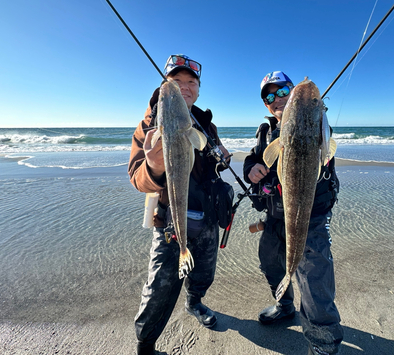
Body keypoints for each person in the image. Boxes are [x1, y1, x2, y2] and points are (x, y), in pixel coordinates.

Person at [128, 54, 230, 355]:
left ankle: (194, 302)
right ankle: (145, 343)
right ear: (164, 86)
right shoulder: (149, 124)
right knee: (160, 285)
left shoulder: (205, 123)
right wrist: (155, 165)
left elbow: (213, 161)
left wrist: (222, 158)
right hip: (171, 218)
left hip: (208, 214)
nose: (185, 87)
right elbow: (137, 179)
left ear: (198, 89)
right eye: (177, 81)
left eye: (191, 82)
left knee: (204, 272)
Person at [243, 71, 344, 355]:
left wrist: (313, 108)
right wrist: (250, 168)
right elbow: (255, 156)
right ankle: (285, 305)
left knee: (314, 278)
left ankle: (324, 342)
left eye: (283, 91)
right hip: (275, 216)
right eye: (269, 96)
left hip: (310, 217)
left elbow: (327, 144)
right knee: (271, 263)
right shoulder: (265, 133)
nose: (277, 99)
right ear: (266, 105)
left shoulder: (316, 123)